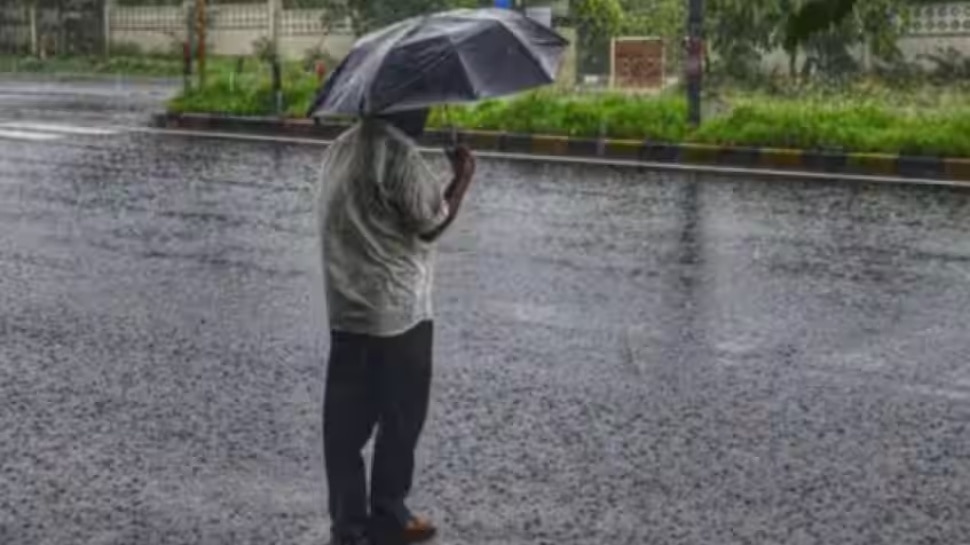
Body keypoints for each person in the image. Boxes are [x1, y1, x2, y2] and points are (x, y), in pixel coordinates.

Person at [315, 108, 476, 545]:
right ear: (402, 105)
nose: (426, 112)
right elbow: (431, 223)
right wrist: (462, 176)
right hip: (399, 315)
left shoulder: (341, 148)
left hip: (348, 311)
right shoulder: (399, 156)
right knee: (400, 419)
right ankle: (388, 512)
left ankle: (347, 527)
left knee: (344, 431)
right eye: (421, 104)